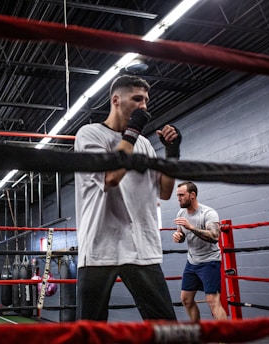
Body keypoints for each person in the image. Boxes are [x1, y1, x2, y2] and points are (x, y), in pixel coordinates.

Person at [74, 74, 181, 321]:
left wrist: (172, 154)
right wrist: (133, 130)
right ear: (116, 100)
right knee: (91, 330)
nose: (144, 106)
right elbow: (110, 177)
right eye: (137, 99)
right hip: (100, 246)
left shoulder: (143, 144)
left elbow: (164, 192)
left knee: (165, 326)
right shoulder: (90, 134)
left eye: (146, 100)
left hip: (141, 246)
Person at [173, 181, 228, 321]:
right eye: (177, 195)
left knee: (213, 301)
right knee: (186, 299)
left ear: (192, 195)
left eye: (181, 195)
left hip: (209, 262)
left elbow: (215, 236)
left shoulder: (208, 213)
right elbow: (182, 234)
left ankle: (226, 339)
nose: (178, 198)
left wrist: (190, 227)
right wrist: (178, 237)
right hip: (192, 262)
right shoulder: (181, 212)